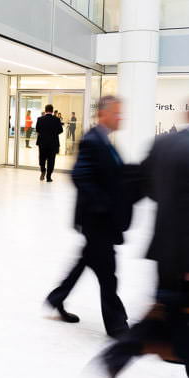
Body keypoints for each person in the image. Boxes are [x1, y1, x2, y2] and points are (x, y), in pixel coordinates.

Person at [100, 94, 189, 378]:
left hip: (163, 249)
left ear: (188, 115)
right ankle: (123, 353)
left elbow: (142, 186)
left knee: (164, 312)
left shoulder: (162, 143)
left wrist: (109, 215)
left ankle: (120, 354)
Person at [45, 96, 131, 337]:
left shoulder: (104, 140)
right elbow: (79, 175)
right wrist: (103, 205)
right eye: (116, 113)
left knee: (87, 262)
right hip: (97, 221)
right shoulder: (93, 140)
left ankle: (56, 298)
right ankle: (117, 326)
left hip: (99, 222)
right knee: (107, 275)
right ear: (103, 114)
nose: (120, 117)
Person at [35, 104, 64, 182]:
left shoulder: (40, 119)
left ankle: (43, 170)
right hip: (53, 143)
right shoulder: (57, 119)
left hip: (42, 143)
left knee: (42, 158)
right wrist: (53, 133)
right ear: (52, 110)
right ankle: (48, 177)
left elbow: (37, 130)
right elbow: (61, 130)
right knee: (51, 160)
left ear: (45, 110)